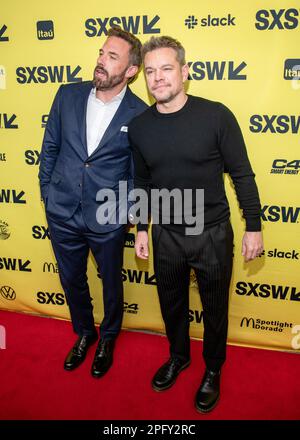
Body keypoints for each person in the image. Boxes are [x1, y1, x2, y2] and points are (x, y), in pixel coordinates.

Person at [128, 36, 263, 413]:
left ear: (185, 72)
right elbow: (142, 182)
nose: (158, 78)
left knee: (215, 308)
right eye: (151, 71)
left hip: (212, 234)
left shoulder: (216, 115)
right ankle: (178, 356)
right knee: (171, 305)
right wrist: (141, 228)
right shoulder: (139, 127)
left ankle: (213, 369)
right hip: (166, 234)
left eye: (166, 68)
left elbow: (242, 174)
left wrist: (254, 225)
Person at [39, 27, 147, 378]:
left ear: (131, 70)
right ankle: (85, 333)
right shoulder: (67, 95)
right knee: (72, 279)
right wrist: (48, 195)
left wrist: (126, 216)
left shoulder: (140, 114)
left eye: (112, 57)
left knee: (111, 282)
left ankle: (108, 337)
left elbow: (137, 173)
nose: (101, 61)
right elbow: (50, 149)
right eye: (102, 53)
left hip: (108, 216)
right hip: (62, 210)